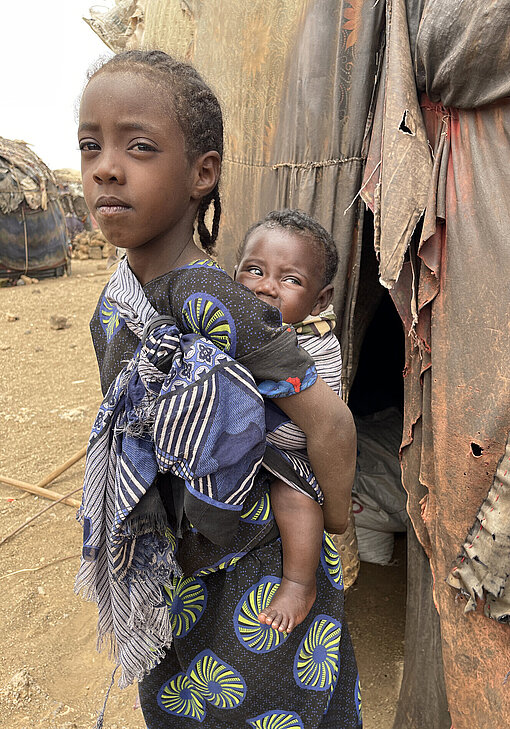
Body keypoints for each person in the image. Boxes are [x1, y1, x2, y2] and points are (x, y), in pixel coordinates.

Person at [76, 49, 361, 729]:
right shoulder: (117, 302)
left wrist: (338, 522)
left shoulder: (214, 297)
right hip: (171, 568)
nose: (105, 166)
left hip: (254, 569)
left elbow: (329, 424)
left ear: (203, 172)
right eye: (91, 145)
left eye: (138, 146)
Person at [235, 209, 345, 635]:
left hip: (290, 449)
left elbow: (312, 420)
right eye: (255, 270)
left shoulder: (312, 341)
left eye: (291, 280)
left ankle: (299, 582)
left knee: (294, 498)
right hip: (253, 439)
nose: (266, 287)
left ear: (319, 300)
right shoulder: (235, 326)